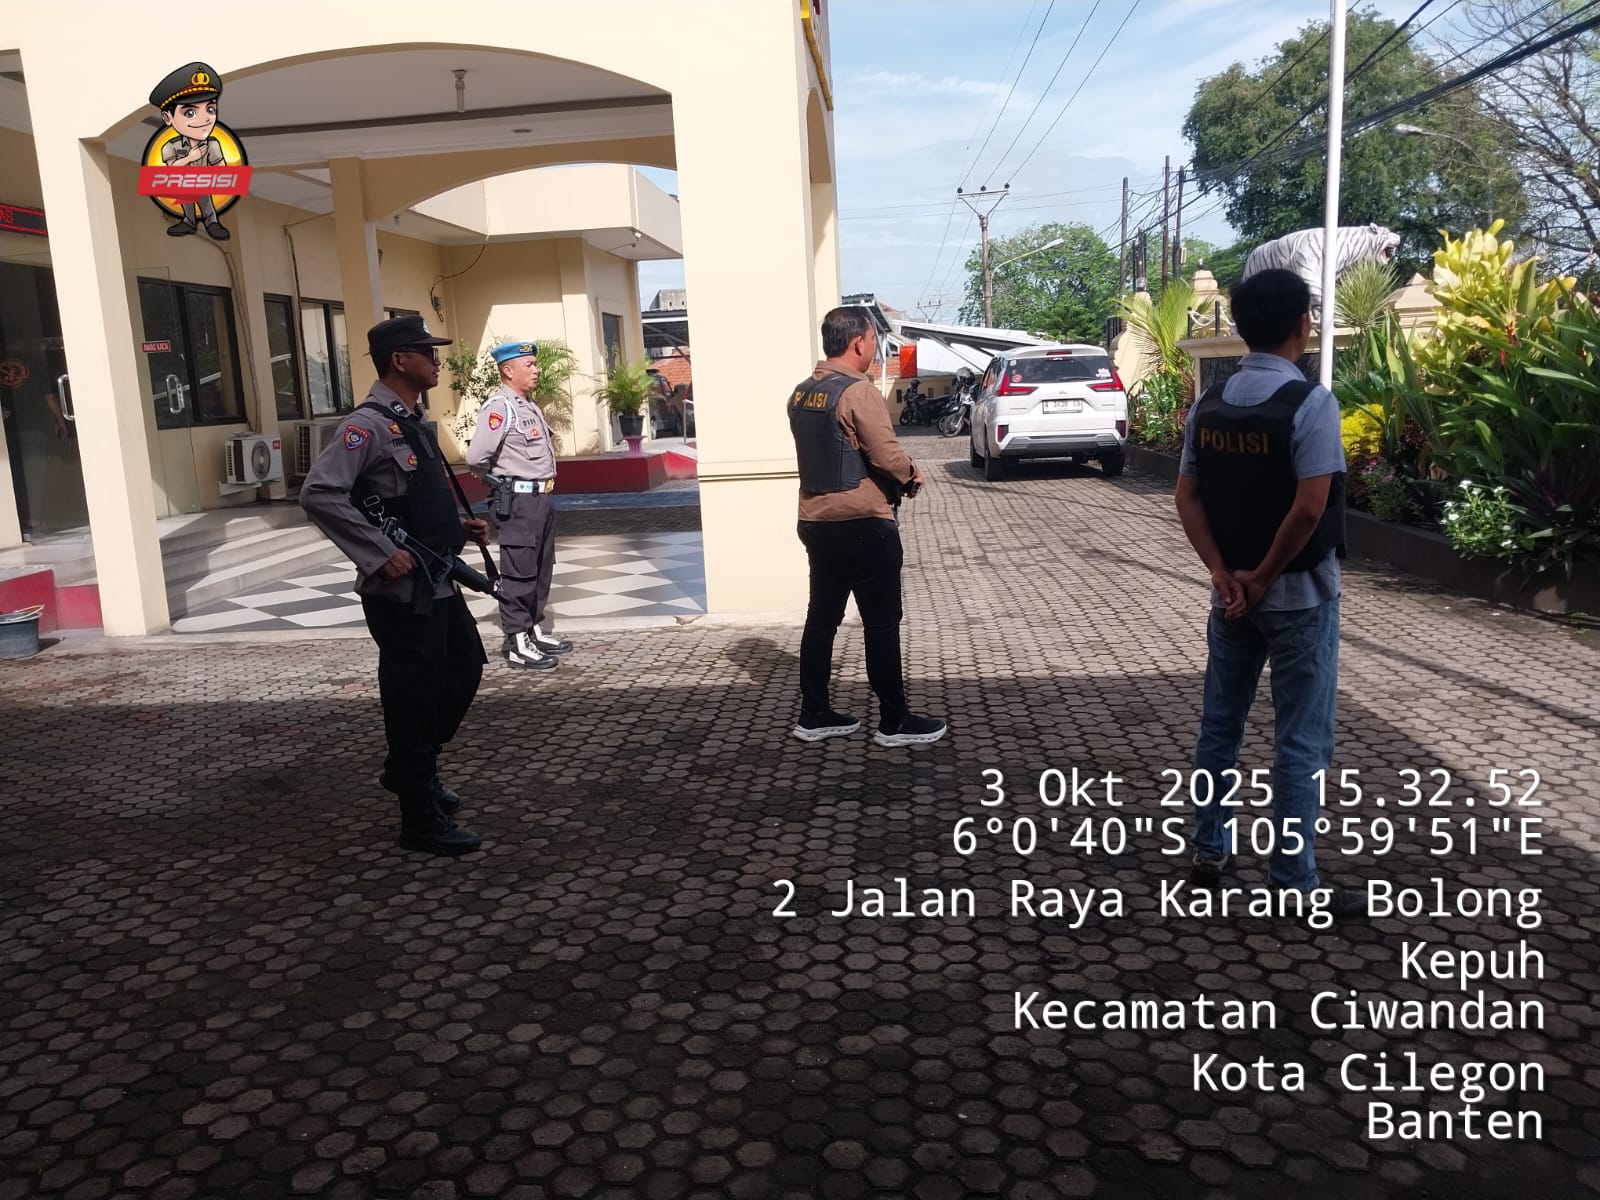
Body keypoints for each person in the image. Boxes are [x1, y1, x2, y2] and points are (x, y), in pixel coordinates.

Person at [1174, 267, 1363, 919]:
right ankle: (1291, 879)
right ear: (1302, 326)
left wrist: (1223, 574)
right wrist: (1263, 576)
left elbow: (1187, 497)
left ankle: (1209, 849)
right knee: (1300, 741)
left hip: (1229, 603)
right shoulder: (1312, 404)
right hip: (1300, 598)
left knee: (1219, 728)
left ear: (1240, 328)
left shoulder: (1208, 406)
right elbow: (1310, 508)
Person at [300, 314, 489, 856]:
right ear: (400, 360)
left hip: (436, 579)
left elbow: (402, 499)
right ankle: (419, 815)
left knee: (464, 668)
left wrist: (454, 526)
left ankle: (412, 769)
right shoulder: (367, 426)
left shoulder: (411, 420)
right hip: (403, 594)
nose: (437, 360)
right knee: (413, 697)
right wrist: (381, 554)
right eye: (427, 352)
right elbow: (320, 493)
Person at [787, 306, 947, 747]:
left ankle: (814, 713)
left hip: (815, 520)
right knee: (881, 623)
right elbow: (886, 456)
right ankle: (894, 721)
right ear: (858, 341)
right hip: (862, 523)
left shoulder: (802, 393)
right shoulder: (858, 391)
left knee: (822, 619)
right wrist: (911, 473)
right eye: (874, 342)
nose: (875, 350)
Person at [465, 341, 572, 670]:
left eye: (535, 364)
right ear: (508, 371)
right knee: (519, 573)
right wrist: (502, 482)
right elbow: (475, 458)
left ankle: (533, 630)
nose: (536, 370)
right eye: (529, 365)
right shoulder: (500, 408)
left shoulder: (529, 406)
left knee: (540, 569)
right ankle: (517, 641)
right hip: (520, 501)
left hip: (542, 499)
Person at [149, 62, 232, 239]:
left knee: (204, 197)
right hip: (183, 183)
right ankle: (189, 221)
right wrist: (190, 158)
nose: (205, 119)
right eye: (190, 113)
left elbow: (222, 169)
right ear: (167, 117)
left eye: (210, 109)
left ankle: (212, 222)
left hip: (203, 182)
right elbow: (172, 171)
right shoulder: (170, 146)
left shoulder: (212, 144)